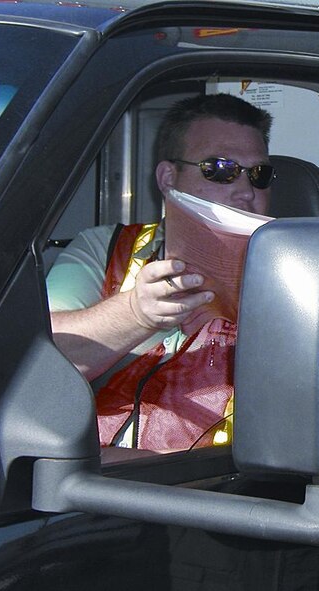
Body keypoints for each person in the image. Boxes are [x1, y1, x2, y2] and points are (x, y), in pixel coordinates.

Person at [47, 93, 274, 451]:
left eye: (259, 174)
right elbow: (39, 364)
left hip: (221, 489)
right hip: (93, 483)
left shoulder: (292, 276)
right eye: (220, 169)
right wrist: (137, 313)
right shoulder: (105, 248)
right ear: (168, 177)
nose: (245, 191)